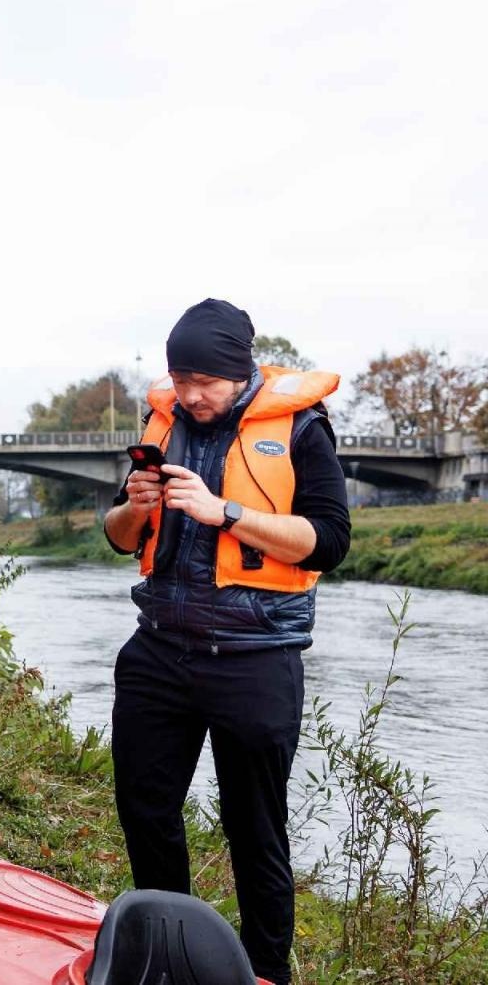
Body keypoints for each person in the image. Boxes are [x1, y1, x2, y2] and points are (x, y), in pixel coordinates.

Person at [101, 299, 350, 985]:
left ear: (241, 372)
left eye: (204, 381)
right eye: (180, 380)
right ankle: (170, 955)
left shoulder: (302, 429)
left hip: (256, 660)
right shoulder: (163, 423)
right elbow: (118, 537)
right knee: (147, 811)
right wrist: (136, 508)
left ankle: (266, 972)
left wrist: (226, 512)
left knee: (254, 830)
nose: (190, 395)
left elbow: (330, 541)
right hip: (159, 651)